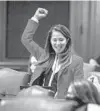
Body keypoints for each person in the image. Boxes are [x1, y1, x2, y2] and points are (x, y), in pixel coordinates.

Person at [21, 8, 84, 99]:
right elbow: (26, 39)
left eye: (61, 40)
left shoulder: (76, 61)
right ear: (50, 41)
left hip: (60, 105)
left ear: (67, 41)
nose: (57, 44)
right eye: (54, 40)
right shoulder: (43, 55)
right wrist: (35, 18)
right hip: (37, 101)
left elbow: (79, 89)